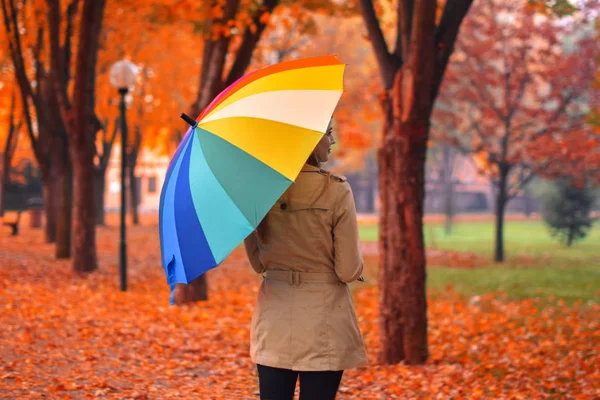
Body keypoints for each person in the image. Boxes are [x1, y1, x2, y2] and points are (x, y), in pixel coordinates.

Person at [244, 120, 368, 400]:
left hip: (274, 317)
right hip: (323, 317)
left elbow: (258, 264)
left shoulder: (260, 192)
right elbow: (348, 269)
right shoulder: (336, 190)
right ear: (310, 138)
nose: (333, 140)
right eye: (328, 133)